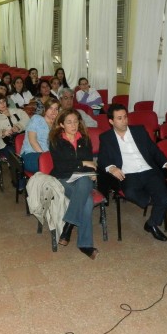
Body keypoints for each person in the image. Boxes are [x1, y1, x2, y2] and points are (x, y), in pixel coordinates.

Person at [97, 104, 167, 242]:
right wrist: (111, 167)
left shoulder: (139, 131)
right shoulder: (106, 137)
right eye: (119, 118)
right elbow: (102, 159)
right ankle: (163, 203)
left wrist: (166, 163)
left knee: (164, 195)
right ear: (111, 121)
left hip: (148, 170)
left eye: (125, 117)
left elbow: (154, 150)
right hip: (128, 173)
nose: (124, 120)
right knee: (131, 193)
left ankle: (151, 225)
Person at [49, 108, 99, 260]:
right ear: (62, 124)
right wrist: (82, 163)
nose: (73, 125)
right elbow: (61, 166)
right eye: (69, 122)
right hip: (63, 179)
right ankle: (85, 244)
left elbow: (90, 165)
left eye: (76, 121)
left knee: (84, 180)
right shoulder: (55, 140)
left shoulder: (84, 139)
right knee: (88, 201)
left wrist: (91, 173)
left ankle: (68, 226)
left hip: (83, 178)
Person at [21, 97, 59, 172]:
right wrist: (45, 157)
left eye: (56, 109)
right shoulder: (37, 119)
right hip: (31, 154)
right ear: (45, 109)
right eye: (50, 108)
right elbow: (33, 141)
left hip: (50, 156)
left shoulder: (56, 126)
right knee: (55, 167)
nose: (53, 111)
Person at [0, 93, 30, 158]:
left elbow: (27, 120)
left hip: (21, 139)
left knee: (28, 151)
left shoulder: (16, 111)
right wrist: (3, 132)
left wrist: (18, 126)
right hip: (5, 143)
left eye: (4, 101)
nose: (3, 104)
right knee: (15, 156)